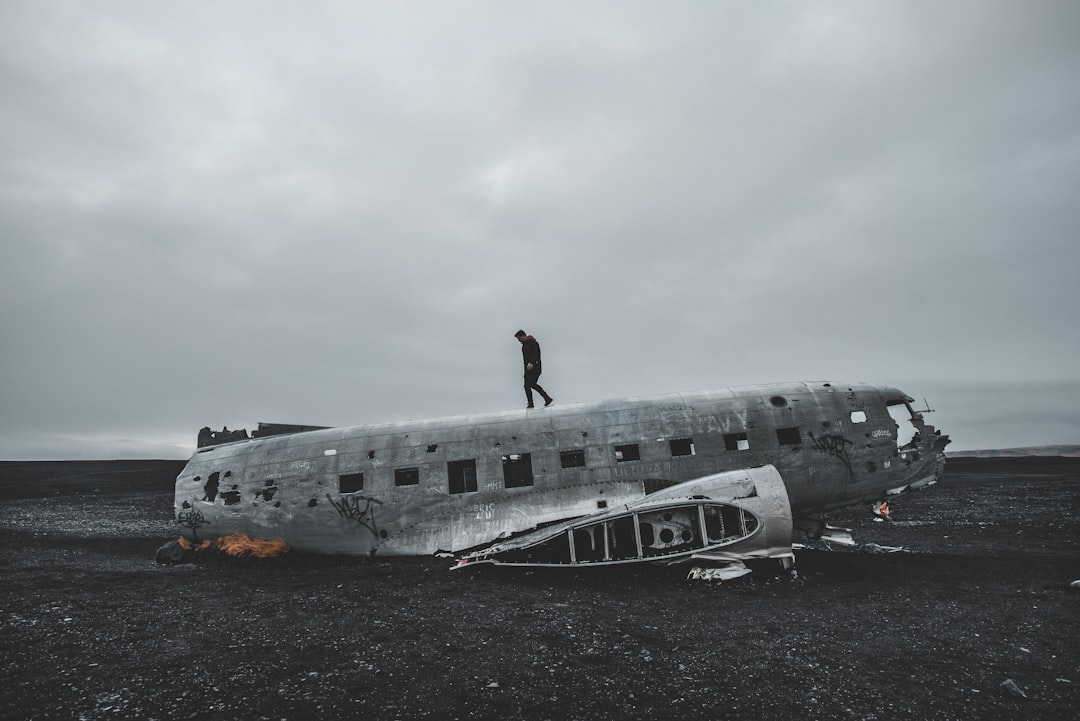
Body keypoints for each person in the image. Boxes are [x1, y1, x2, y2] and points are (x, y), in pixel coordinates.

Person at [514, 329, 554, 408]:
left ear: (523, 336)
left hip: (535, 368)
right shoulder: (524, 346)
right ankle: (532, 403)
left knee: (532, 384)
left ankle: (546, 398)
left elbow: (537, 354)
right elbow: (525, 360)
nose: (519, 340)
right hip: (528, 369)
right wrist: (525, 371)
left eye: (519, 338)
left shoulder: (533, 343)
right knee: (526, 386)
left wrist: (531, 362)